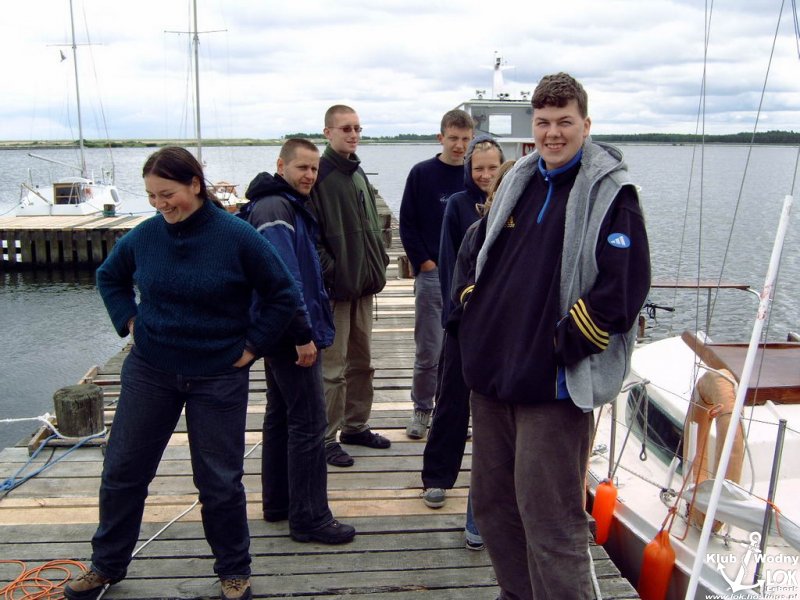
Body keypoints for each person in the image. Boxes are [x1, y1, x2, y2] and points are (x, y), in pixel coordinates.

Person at [65, 147, 301, 600]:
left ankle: (234, 570)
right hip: (150, 370)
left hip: (218, 375)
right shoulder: (145, 235)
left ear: (195, 184)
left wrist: (253, 346)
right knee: (122, 471)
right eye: (152, 196)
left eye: (167, 194)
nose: (160, 205)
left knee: (219, 482)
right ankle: (106, 565)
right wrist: (129, 320)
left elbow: (283, 294)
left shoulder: (236, 235)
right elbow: (109, 277)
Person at [458, 73, 651, 599]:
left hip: (553, 385)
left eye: (565, 121)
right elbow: (477, 252)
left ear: (586, 124)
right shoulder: (518, 181)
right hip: (493, 377)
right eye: (543, 122)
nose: (553, 133)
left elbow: (623, 288)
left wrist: (562, 345)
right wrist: (474, 314)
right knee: (494, 507)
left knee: (551, 521)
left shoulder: (612, 196)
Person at [240, 138, 356, 544]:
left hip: (279, 330)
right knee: (308, 423)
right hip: (291, 333)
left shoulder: (282, 204)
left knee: (280, 416)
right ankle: (310, 518)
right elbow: (283, 280)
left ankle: (279, 503)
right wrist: (303, 334)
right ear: (281, 166)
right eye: (301, 167)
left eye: (314, 169)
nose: (309, 175)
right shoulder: (276, 209)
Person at [309, 105, 391, 468]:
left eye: (357, 128)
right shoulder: (320, 175)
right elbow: (310, 236)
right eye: (345, 128)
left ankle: (356, 426)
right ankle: (326, 437)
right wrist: (335, 273)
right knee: (333, 368)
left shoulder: (356, 172)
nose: (353, 134)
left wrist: (379, 261)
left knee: (362, 363)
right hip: (337, 290)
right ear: (328, 132)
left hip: (364, 286)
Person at [399, 109, 475, 440]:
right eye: (453, 138)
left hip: (469, 280)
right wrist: (425, 263)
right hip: (432, 276)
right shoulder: (422, 173)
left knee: (465, 349)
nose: (459, 146)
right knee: (429, 348)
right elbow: (407, 223)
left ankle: (458, 412)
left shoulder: (475, 176)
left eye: (465, 139)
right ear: (440, 137)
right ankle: (421, 408)